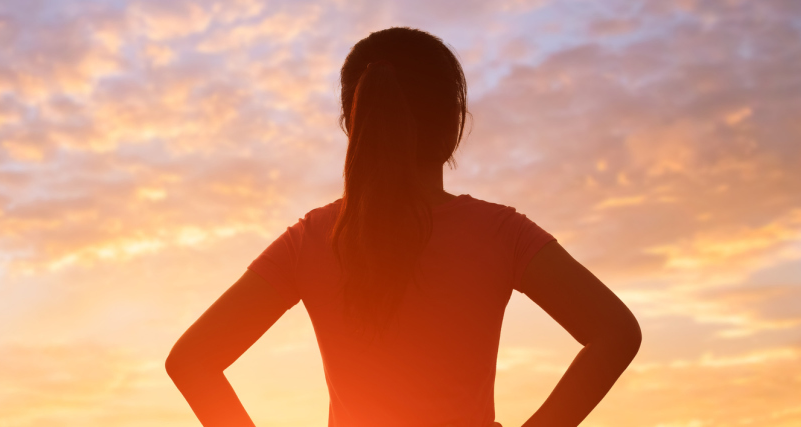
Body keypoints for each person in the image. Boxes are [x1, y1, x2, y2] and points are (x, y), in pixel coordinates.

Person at [165, 27, 642, 427]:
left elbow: (191, 362)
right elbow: (616, 332)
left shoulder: (312, 238)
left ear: (353, 124)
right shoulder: (501, 233)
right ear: (454, 121)